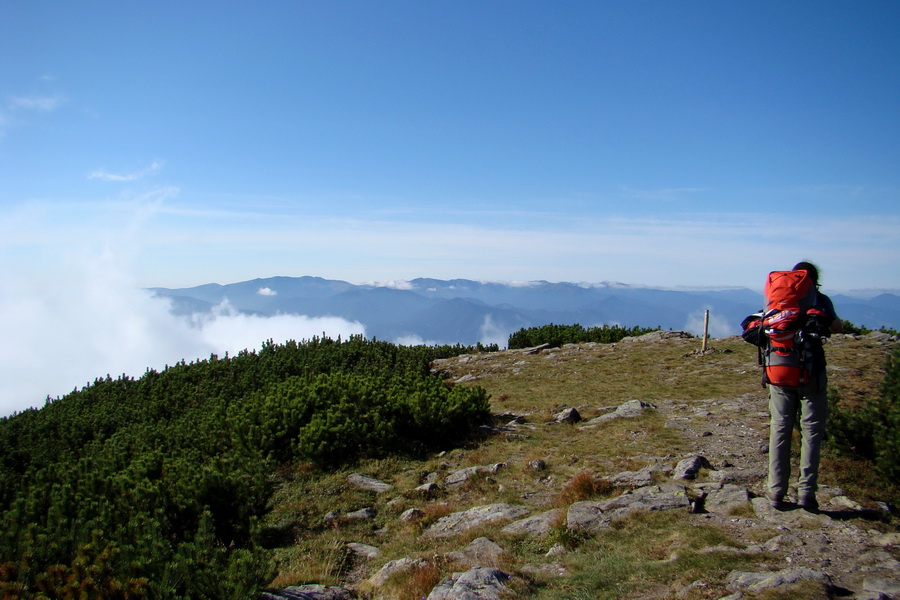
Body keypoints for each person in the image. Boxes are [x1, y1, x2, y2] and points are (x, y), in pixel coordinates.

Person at [766, 261, 842, 512]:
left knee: (780, 429)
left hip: (779, 371)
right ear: (814, 280)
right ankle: (806, 494)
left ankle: (775, 492)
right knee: (811, 432)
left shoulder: (778, 299)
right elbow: (836, 328)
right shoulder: (820, 300)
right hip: (812, 373)